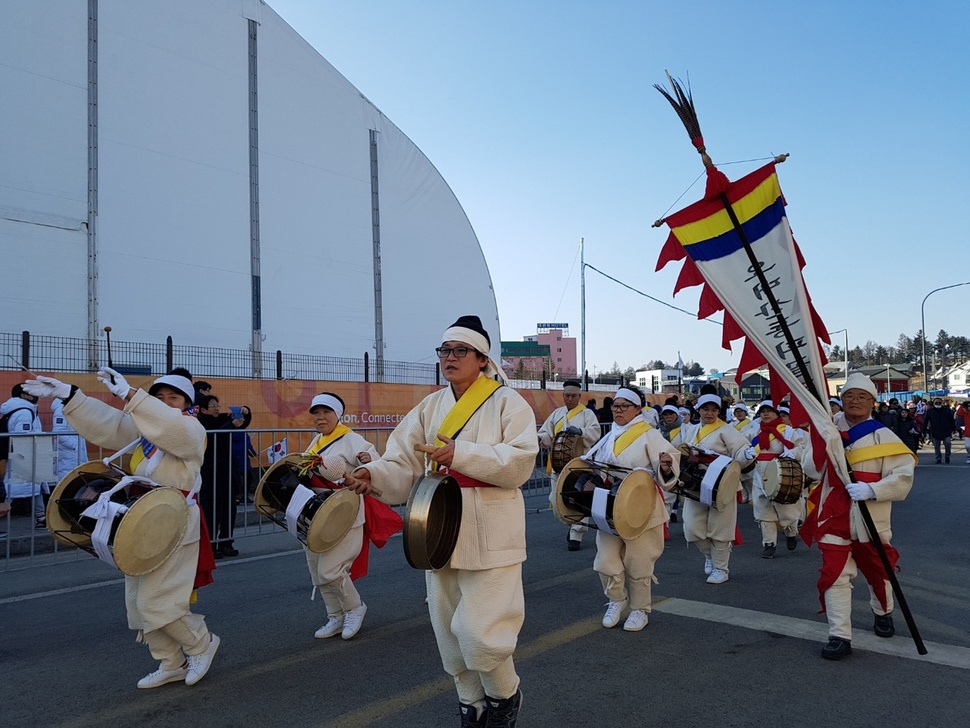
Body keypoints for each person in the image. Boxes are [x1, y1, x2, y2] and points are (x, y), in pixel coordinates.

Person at [350, 315, 537, 728]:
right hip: (437, 526)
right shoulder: (431, 406)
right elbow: (403, 458)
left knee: (480, 630)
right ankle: (470, 701)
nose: (449, 358)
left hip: (491, 528)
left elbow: (521, 462)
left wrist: (462, 455)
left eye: (460, 351)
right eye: (445, 351)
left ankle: (505, 694)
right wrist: (374, 475)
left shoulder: (509, 402)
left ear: (482, 359)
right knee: (448, 627)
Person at [22, 368, 220, 688]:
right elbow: (111, 423)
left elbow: (172, 429)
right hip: (140, 520)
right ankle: (171, 662)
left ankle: (202, 643)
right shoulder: (145, 431)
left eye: (174, 397)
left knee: (157, 600)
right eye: (160, 397)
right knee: (137, 601)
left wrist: (132, 395)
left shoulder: (192, 429)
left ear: (187, 403)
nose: (166, 402)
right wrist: (69, 395)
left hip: (176, 522)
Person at [800, 373, 916, 660]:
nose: (855, 401)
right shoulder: (826, 430)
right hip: (833, 514)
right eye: (849, 396)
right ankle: (839, 635)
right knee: (835, 574)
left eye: (862, 397)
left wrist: (873, 489)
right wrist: (819, 446)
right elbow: (811, 470)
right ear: (841, 400)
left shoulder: (884, 435)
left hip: (871, 516)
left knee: (879, 572)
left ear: (872, 403)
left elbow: (903, 476)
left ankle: (883, 611)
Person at [299, 391, 401, 641]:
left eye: (326, 412)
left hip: (345, 510)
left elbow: (374, 463)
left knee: (331, 570)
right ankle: (335, 615)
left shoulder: (351, 439)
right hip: (317, 512)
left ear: (338, 415)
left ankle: (354, 608)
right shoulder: (316, 442)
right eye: (316, 413)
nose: (320, 418)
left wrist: (369, 460)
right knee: (316, 569)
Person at [580, 386, 678, 632]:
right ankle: (616, 599)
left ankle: (640, 609)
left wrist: (666, 467)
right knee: (605, 560)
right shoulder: (610, 434)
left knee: (639, 560)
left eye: (625, 406)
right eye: (615, 406)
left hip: (640, 505)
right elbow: (592, 462)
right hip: (610, 504)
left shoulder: (649, 434)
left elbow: (668, 459)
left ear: (637, 409)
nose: (619, 411)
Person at [672, 393, 753, 584]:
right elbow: (681, 449)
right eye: (705, 409)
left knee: (720, 527)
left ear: (719, 411)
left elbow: (740, 449)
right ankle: (711, 557)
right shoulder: (691, 430)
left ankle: (721, 568)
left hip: (721, 483)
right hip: (695, 482)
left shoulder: (726, 430)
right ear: (698, 410)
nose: (710, 413)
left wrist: (746, 454)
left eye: (714, 409)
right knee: (692, 527)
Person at [537, 379, 601, 551]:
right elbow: (546, 432)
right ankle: (570, 524)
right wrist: (539, 438)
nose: (570, 399)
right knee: (556, 498)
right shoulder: (557, 413)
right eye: (567, 395)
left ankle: (576, 534)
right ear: (563, 396)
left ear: (579, 396)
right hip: (558, 464)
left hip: (579, 464)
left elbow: (595, 433)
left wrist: (581, 432)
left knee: (578, 497)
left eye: (573, 396)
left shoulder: (587, 414)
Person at [197, 395, 251, 558]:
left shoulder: (222, 419)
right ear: (204, 409)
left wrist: (246, 411)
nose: (217, 408)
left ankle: (226, 542)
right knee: (212, 509)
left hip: (228, 471)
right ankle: (211, 545)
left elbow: (242, 423)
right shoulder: (199, 423)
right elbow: (213, 437)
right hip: (210, 472)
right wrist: (230, 425)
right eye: (212, 406)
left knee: (229, 508)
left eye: (218, 405)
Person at [749, 402, 805, 559]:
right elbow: (742, 447)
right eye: (763, 412)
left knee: (787, 509)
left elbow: (802, 447)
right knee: (764, 510)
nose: (765, 414)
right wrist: (746, 452)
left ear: (777, 414)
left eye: (769, 411)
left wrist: (793, 453)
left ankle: (791, 532)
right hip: (760, 475)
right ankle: (769, 544)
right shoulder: (754, 432)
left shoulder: (788, 432)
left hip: (783, 474)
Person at [1, 383, 46, 527]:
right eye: (32, 392)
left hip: (22, 456)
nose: (36, 395)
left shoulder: (18, 409)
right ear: (24, 395)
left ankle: (41, 517)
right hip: (23, 457)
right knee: (13, 488)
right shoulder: (25, 412)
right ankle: (41, 517)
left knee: (34, 485)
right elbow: (23, 436)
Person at [657, 404, 684, 520]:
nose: (668, 417)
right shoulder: (658, 431)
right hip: (666, 469)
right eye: (665, 414)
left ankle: (689, 528)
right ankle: (664, 529)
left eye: (671, 414)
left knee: (686, 500)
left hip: (683, 467)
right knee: (666, 498)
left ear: (676, 415)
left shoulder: (685, 429)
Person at [51, 397, 88, 481]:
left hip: (71, 454)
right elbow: (58, 431)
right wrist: (75, 445)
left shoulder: (69, 408)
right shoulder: (62, 409)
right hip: (69, 454)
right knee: (67, 480)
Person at [922, 396, 955, 463]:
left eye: (939, 402)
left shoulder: (947, 410)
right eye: (936, 402)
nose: (938, 403)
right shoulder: (930, 411)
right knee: (937, 446)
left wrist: (953, 428)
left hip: (946, 430)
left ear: (942, 403)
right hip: (935, 431)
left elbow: (951, 420)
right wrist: (923, 430)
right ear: (933, 403)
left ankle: (947, 455)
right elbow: (925, 421)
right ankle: (938, 458)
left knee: (947, 443)